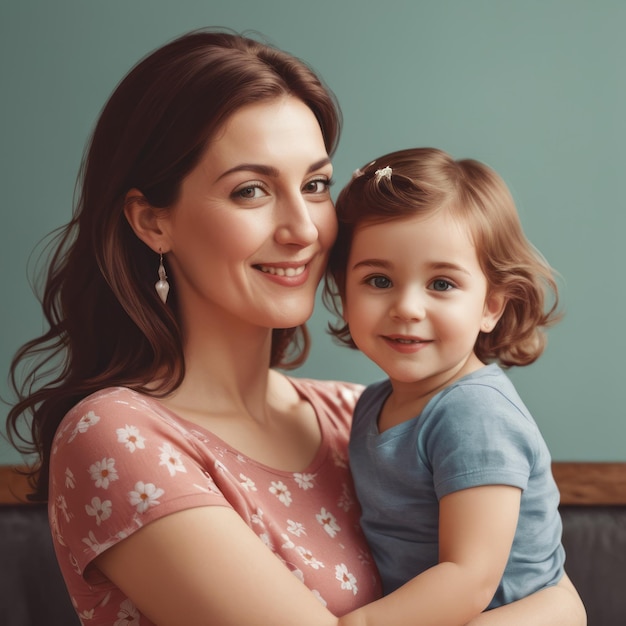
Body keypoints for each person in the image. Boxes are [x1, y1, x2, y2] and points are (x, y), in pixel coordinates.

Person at [5, 30, 585, 626]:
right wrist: (558, 610)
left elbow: (531, 580)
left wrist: (562, 605)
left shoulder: (358, 414)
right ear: (153, 221)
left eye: (314, 186)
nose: (303, 229)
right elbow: (555, 605)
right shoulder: (117, 436)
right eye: (251, 190)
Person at [324, 147, 573, 623]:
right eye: (378, 280)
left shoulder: (473, 413)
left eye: (441, 284)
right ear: (343, 290)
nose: (407, 308)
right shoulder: (373, 403)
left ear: (491, 306)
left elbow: (469, 576)